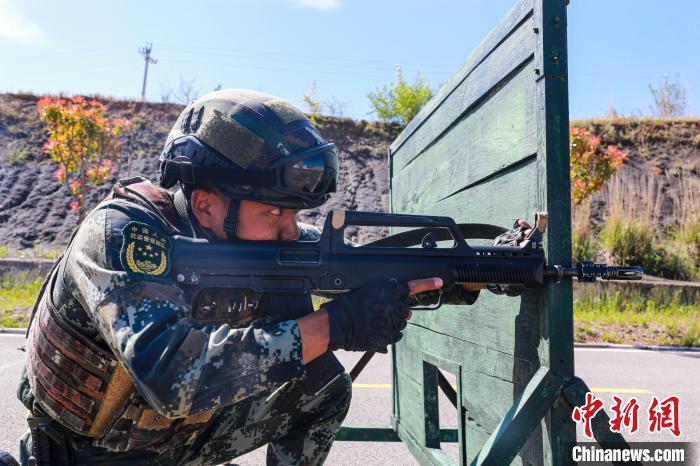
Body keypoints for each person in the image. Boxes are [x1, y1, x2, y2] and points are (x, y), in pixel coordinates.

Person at [16, 89, 462, 466]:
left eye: (294, 213)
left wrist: (453, 274)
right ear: (208, 205)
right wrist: (335, 324)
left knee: (322, 388)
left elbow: (356, 264)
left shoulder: (262, 239)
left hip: (175, 445)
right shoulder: (124, 234)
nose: (290, 231)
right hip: (85, 454)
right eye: (273, 212)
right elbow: (171, 379)